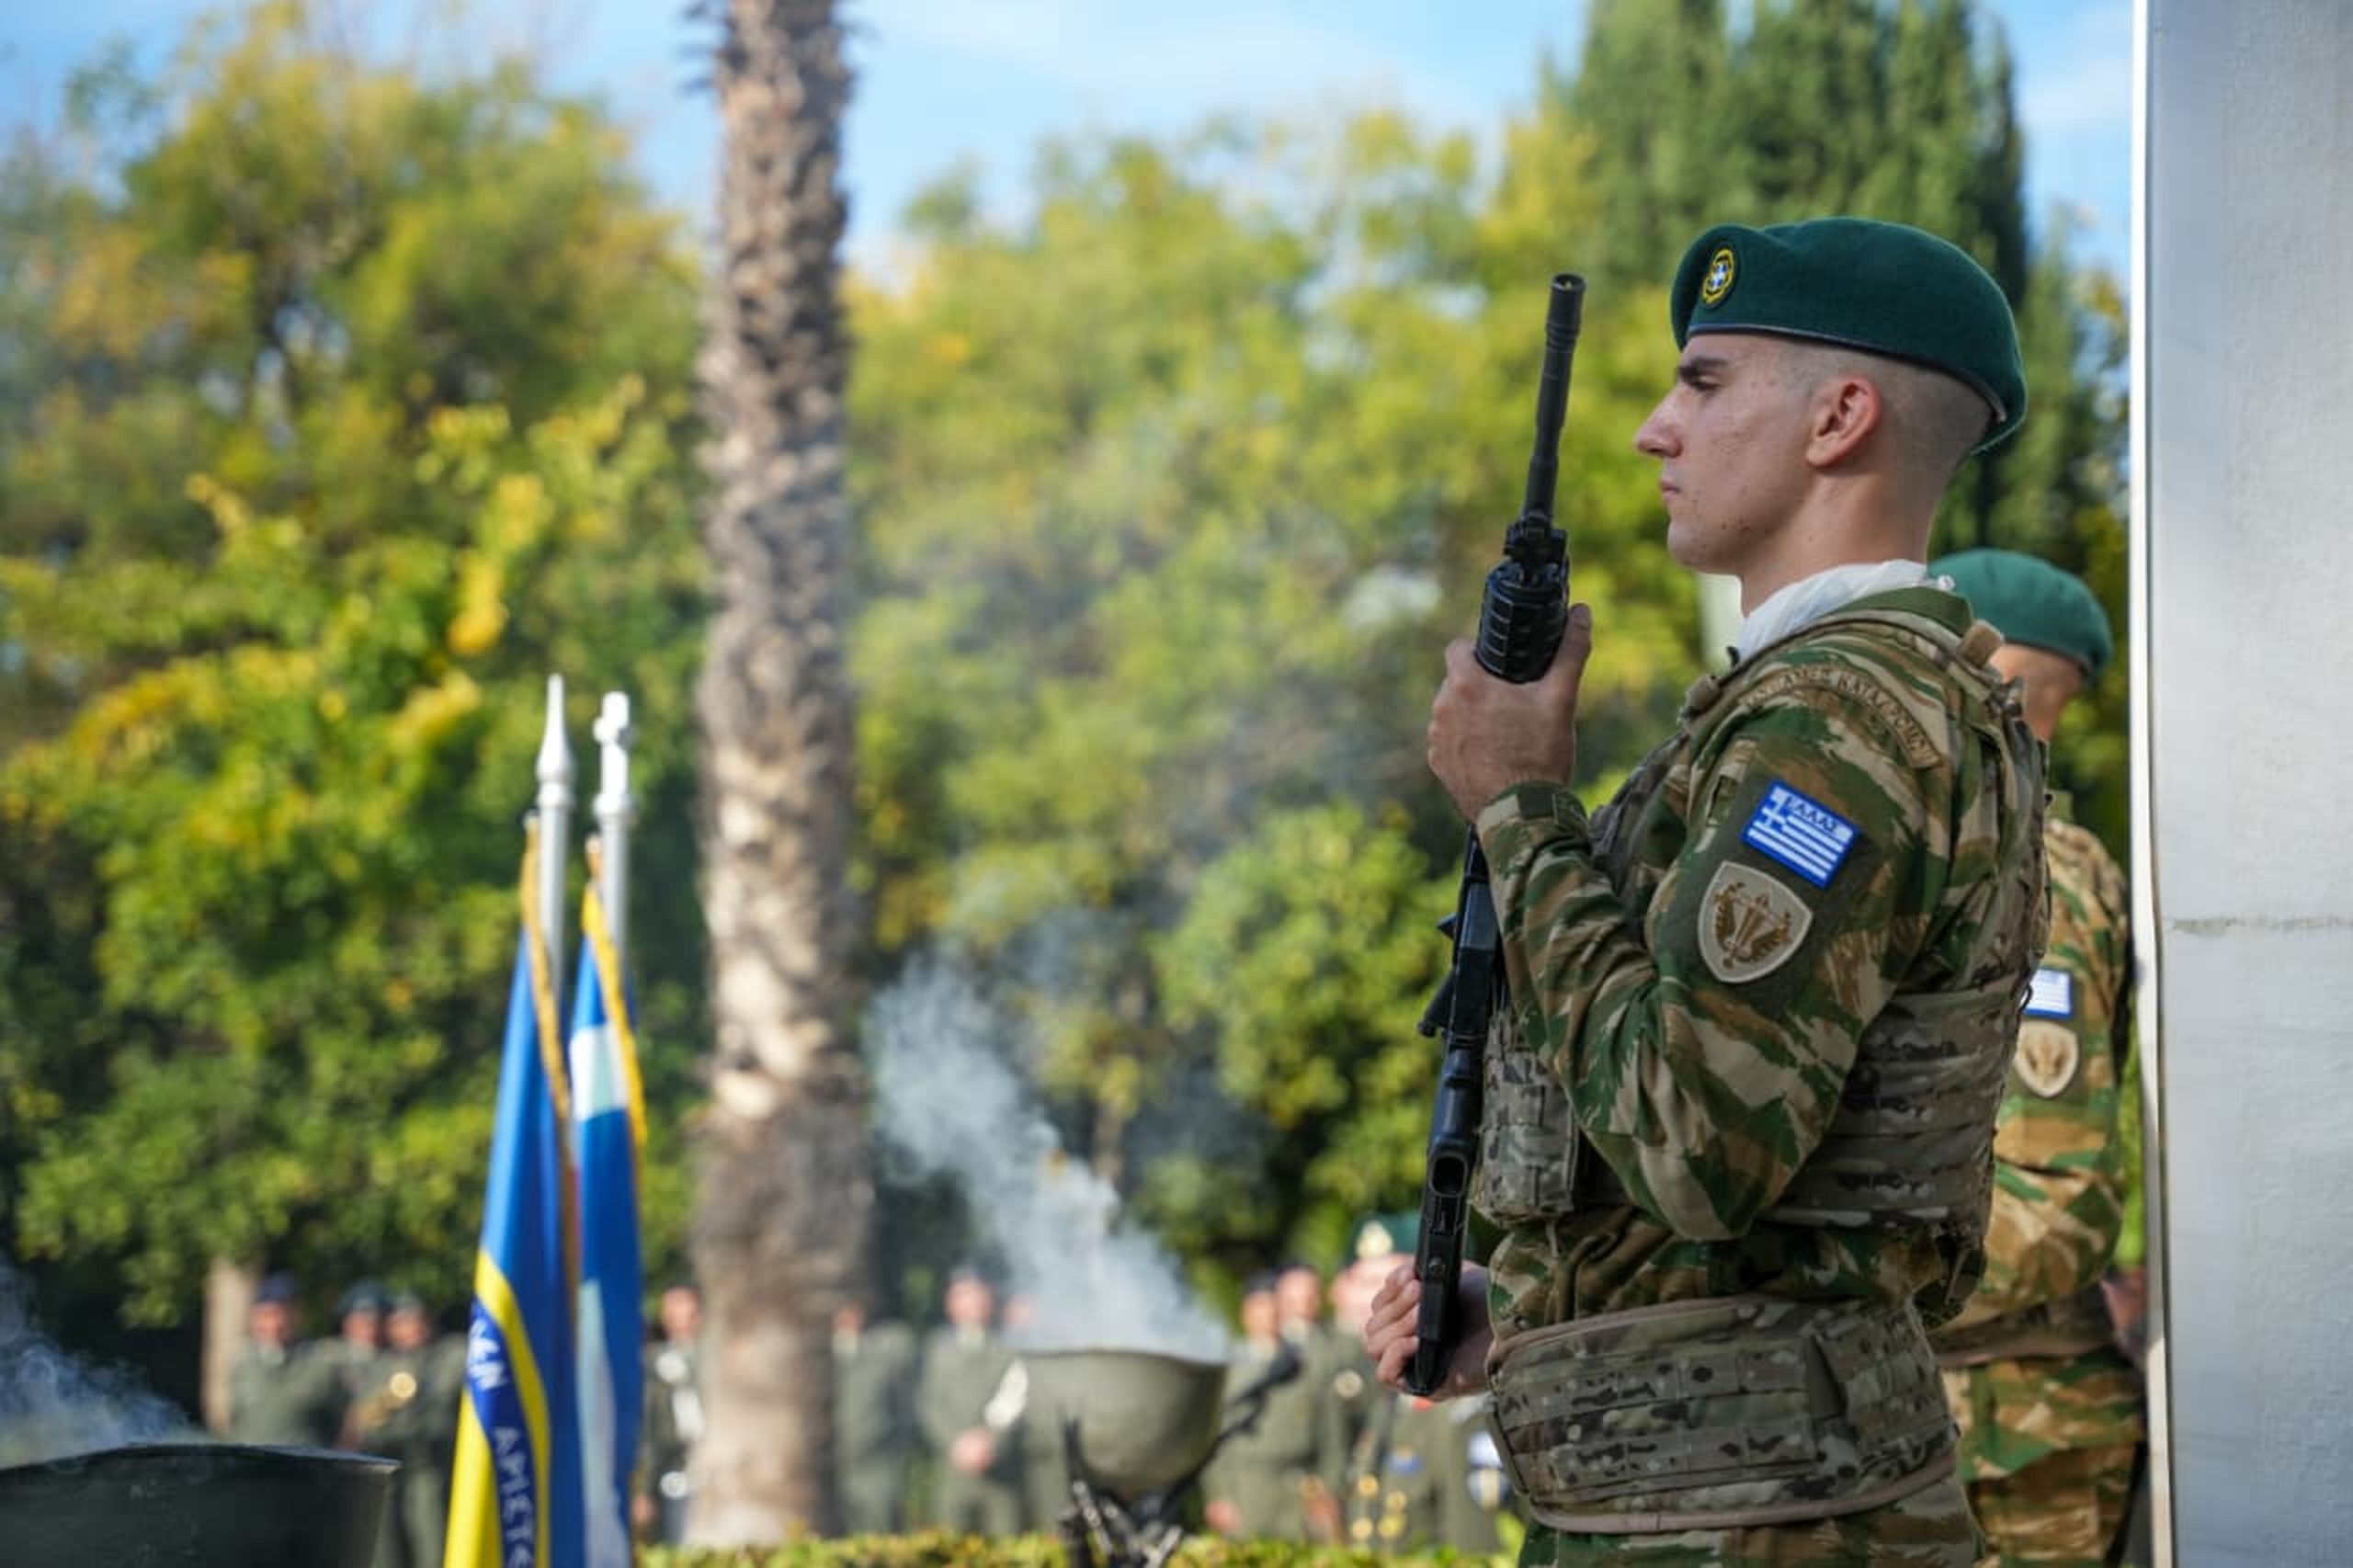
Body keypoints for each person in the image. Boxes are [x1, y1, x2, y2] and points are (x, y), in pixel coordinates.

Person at [1367, 216, 2051, 1565]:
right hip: (1709, 1492)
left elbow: (1694, 1140)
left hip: (1758, 1520)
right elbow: (1776, 1208)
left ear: (1840, 417)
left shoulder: (1843, 721)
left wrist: (1520, 804)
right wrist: (1548, 1309)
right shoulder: (1826, 707)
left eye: (1707, 381)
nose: (1652, 429)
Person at [1927, 549, 2143, 1565]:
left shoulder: (2030, 871)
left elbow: (2056, 1194)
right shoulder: (1962, 853)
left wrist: (1841, 1292)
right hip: (1960, 1412)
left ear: (1987, 678)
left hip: (2013, 1432)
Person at [1338, 1216, 1509, 1555]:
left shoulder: (1458, 1411)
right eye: (1359, 1280)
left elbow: (1474, 1551)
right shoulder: (1389, 1400)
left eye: (1384, 1281)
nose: (1365, 1301)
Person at [1202, 1271, 1333, 1541]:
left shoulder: (1306, 1366)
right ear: (1245, 1314)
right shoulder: (1230, 1370)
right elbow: (1213, 1437)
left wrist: (1328, 1490)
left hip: (1298, 1486)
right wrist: (1219, 1494)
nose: (1269, 1315)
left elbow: (1330, 1433)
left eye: (1275, 1307)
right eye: (1259, 1308)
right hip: (1247, 1486)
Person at [350, 1290, 466, 1568]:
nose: (411, 1328)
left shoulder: (447, 1355)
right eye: (401, 1322)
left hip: (429, 1466)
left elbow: (443, 1411)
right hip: (391, 1468)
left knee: (430, 1542)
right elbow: (365, 1419)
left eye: (416, 1320)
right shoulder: (382, 1364)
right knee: (386, 1548)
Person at [915, 1267, 1025, 1537]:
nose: (973, 1303)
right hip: (953, 1470)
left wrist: (991, 1441)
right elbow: (929, 1404)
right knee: (951, 1548)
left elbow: (1018, 1398)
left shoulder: (1009, 1349)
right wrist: (956, 1443)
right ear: (950, 1304)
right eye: (963, 1295)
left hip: (999, 1471)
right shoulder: (937, 1349)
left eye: (979, 1295)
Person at [831, 1295, 921, 1536]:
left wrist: (898, 1449)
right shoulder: (819, 1354)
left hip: (878, 1463)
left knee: (881, 1531)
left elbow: (906, 1404)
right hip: (832, 1464)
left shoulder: (889, 1347)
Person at [225, 1272, 346, 1447]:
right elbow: (234, 1420)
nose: (274, 1324)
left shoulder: (321, 1363)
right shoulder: (243, 1365)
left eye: (281, 1314)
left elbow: (338, 1426)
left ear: (298, 1315)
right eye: (265, 1315)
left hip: (305, 1468)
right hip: (251, 1468)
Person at [636, 1281, 705, 1543]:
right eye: (674, 1316)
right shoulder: (654, 1362)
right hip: (672, 1468)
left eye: (689, 1315)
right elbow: (649, 1431)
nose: (682, 1324)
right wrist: (644, 1490)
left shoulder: (715, 1359)